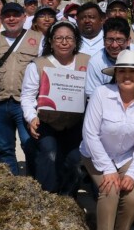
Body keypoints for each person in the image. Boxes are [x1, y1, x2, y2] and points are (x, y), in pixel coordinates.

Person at [80, 49, 134, 230]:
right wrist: (107, 168)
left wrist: (132, 173)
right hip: (96, 154)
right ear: (115, 74)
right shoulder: (101, 94)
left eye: (133, 71)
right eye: (122, 71)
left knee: (132, 196)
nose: (127, 75)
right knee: (110, 190)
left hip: (127, 156)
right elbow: (90, 133)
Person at [22, 21, 91, 194]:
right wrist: (31, 118)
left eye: (69, 38)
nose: (64, 42)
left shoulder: (88, 62)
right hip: (46, 121)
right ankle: (47, 196)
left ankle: (68, 197)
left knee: (75, 160)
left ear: (76, 41)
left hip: (76, 122)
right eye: (59, 38)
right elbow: (28, 96)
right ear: (51, 42)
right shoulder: (37, 64)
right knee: (50, 154)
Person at [0, 2, 42, 174]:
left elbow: (45, 74)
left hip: (25, 104)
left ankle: (35, 184)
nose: (11, 19)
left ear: (24, 17)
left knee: (30, 145)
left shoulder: (38, 40)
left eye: (16, 15)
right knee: (5, 149)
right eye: (7, 15)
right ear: (1, 18)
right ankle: (13, 185)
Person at [84, 17, 134, 96]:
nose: (114, 45)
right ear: (103, 41)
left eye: (119, 40)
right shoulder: (95, 61)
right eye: (110, 40)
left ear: (128, 41)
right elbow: (91, 94)